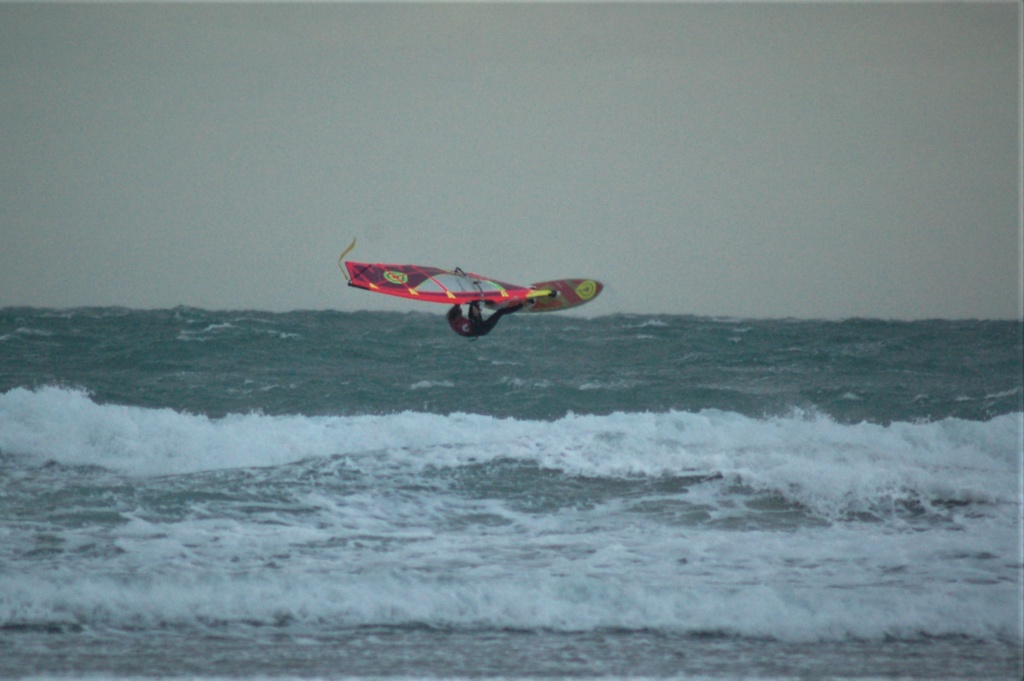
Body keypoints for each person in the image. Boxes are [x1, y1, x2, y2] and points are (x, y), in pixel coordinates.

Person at [447, 300, 524, 338]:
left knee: (473, 304)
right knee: (500, 312)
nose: (461, 315)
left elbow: (457, 306)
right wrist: (477, 314)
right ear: (457, 317)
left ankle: (478, 301)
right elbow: (475, 324)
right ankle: (522, 305)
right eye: (460, 314)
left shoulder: (452, 320)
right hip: (482, 329)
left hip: (477, 327)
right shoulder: (462, 325)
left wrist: (459, 302)